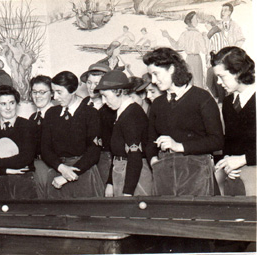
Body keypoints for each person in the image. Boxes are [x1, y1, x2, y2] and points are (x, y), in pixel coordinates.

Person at [143, 47, 224, 195]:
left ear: (172, 69)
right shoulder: (157, 104)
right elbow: (150, 141)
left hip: (197, 173)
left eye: (156, 74)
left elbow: (217, 140)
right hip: (164, 173)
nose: (153, 81)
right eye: (151, 75)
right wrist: (154, 161)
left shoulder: (202, 98)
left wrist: (179, 146)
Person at [41, 71, 104, 198]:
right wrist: (61, 168)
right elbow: (45, 148)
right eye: (53, 92)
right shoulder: (51, 114)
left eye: (59, 92)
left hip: (83, 173)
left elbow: (94, 151)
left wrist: (67, 176)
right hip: (57, 173)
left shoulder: (90, 113)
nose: (55, 97)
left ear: (73, 90)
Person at [94, 71, 152, 197]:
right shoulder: (122, 113)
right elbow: (118, 153)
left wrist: (128, 193)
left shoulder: (132, 115)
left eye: (105, 96)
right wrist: (110, 182)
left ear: (119, 91)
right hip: (121, 171)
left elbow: (135, 157)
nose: (104, 101)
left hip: (133, 177)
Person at [211, 47, 256, 196]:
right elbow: (231, 143)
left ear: (238, 71)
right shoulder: (229, 102)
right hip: (236, 180)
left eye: (221, 76)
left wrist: (243, 159)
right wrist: (228, 164)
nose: (218, 82)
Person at [0, 85, 37, 200]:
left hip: (23, 180)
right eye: (3, 104)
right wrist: (8, 170)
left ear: (17, 104)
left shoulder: (27, 126)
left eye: (11, 103)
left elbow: (26, 158)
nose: (8, 108)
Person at [80, 63, 115, 188]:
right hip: (84, 158)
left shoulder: (111, 109)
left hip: (104, 159)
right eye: (89, 83)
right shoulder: (83, 104)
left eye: (96, 83)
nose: (92, 87)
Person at [162, 11, 207, 89]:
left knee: (189, 82)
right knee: (198, 82)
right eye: (196, 19)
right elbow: (204, 50)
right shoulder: (198, 34)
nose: (197, 21)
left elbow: (177, 46)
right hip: (196, 59)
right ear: (190, 21)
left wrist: (168, 36)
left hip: (188, 59)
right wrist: (205, 38)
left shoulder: (184, 34)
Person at [28, 75, 54, 198]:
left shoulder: (57, 115)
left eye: (42, 92)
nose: (37, 96)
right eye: (34, 92)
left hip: (51, 167)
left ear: (52, 94)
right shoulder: (32, 118)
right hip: (36, 167)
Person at [204, 15, 228, 104]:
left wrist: (209, 63)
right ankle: (219, 100)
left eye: (206, 25)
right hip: (218, 63)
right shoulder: (217, 34)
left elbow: (213, 51)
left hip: (216, 63)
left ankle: (219, 100)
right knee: (215, 83)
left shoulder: (214, 36)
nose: (205, 27)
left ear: (210, 24)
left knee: (212, 83)